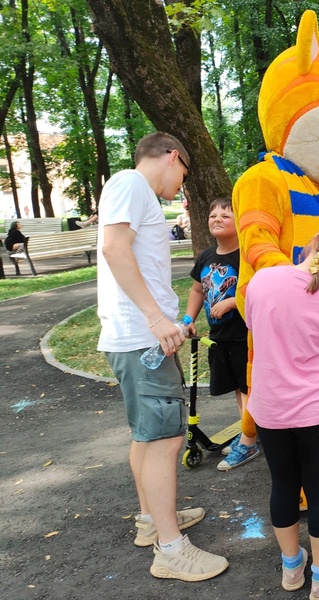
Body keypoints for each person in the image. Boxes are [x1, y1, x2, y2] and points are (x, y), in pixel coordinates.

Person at [97, 132, 228, 580]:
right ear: (173, 156)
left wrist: (167, 318)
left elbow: (132, 257)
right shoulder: (131, 184)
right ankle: (171, 549)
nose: (182, 185)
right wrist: (156, 320)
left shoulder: (133, 192)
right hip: (141, 337)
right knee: (165, 441)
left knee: (146, 435)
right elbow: (113, 249)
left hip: (141, 335)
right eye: (184, 174)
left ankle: (153, 519)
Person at [245, 224, 319, 598]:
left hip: (270, 408)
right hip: (317, 410)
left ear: (313, 246)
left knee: (283, 485)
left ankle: (292, 569)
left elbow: (253, 324)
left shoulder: (263, 281)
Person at [185, 197, 258, 471]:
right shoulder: (205, 256)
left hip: (245, 335)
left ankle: (249, 441)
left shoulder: (246, 256)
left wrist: (232, 302)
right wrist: (188, 318)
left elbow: (256, 290)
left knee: (249, 388)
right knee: (239, 390)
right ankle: (249, 430)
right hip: (220, 336)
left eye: (225, 216)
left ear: (239, 221)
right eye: (213, 214)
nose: (217, 219)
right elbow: (196, 290)